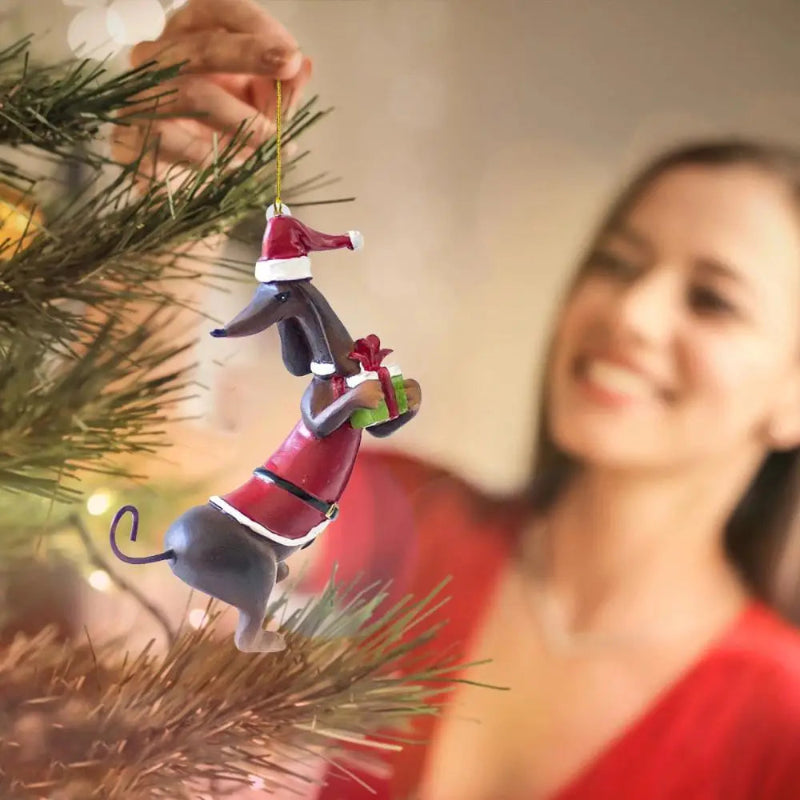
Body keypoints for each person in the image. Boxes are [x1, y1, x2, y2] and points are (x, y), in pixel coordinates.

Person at [116, 2, 800, 798]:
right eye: (616, 263)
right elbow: (157, 472)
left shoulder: (780, 724)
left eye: (712, 300)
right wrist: (165, 203)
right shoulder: (399, 519)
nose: (631, 313)